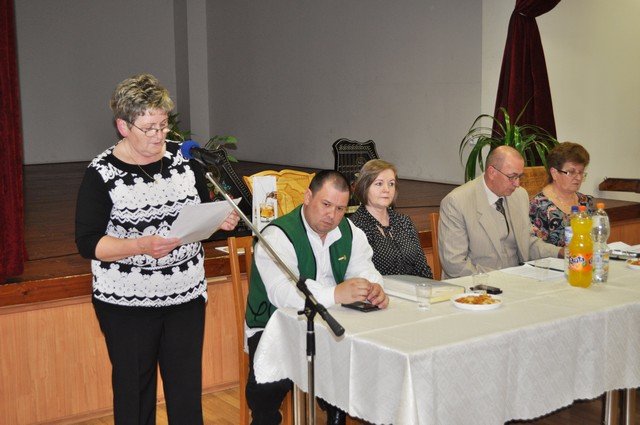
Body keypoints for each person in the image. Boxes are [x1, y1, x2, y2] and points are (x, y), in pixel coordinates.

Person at [74, 73, 239, 425]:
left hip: (185, 294)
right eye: (149, 128)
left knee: (186, 392)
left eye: (163, 125)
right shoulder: (101, 174)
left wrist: (217, 222)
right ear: (123, 126)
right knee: (134, 394)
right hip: (127, 302)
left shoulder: (184, 161)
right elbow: (88, 242)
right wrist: (139, 245)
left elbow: (196, 220)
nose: (159, 135)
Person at [245, 170, 388, 425]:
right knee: (267, 390)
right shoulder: (277, 235)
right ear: (308, 197)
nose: (332, 215)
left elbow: (364, 268)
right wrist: (335, 293)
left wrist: (373, 287)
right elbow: (283, 292)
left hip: (331, 323)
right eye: (326, 204)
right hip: (274, 325)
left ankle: (337, 413)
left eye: (340, 209)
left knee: (362, 363)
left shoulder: (350, 231)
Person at [438, 146, 561, 279]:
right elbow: (455, 264)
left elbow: (528, 243)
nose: (517, 183)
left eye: (519, 176)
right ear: (492, 172)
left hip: (517, 279)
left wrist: (560, 252)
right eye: (512, 177)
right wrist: (501, 279)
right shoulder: (457, 202)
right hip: (478, 285)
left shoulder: (519, 196)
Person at [350, 159, 433, 278]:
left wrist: (430, 286)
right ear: (364, 187)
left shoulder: (404, 221)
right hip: (379, 289)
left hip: (415, 288)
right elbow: (361, 277)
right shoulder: (356, 226)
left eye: (391, 184)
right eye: (379, 184)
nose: (387, 189)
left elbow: (422, 267)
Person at [529, 142, 594, 246]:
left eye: (581, 172)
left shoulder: (586, 201)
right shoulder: (538, 206)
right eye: (571, 172)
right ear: (554, 173)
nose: (578, 178)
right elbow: (537, 249)